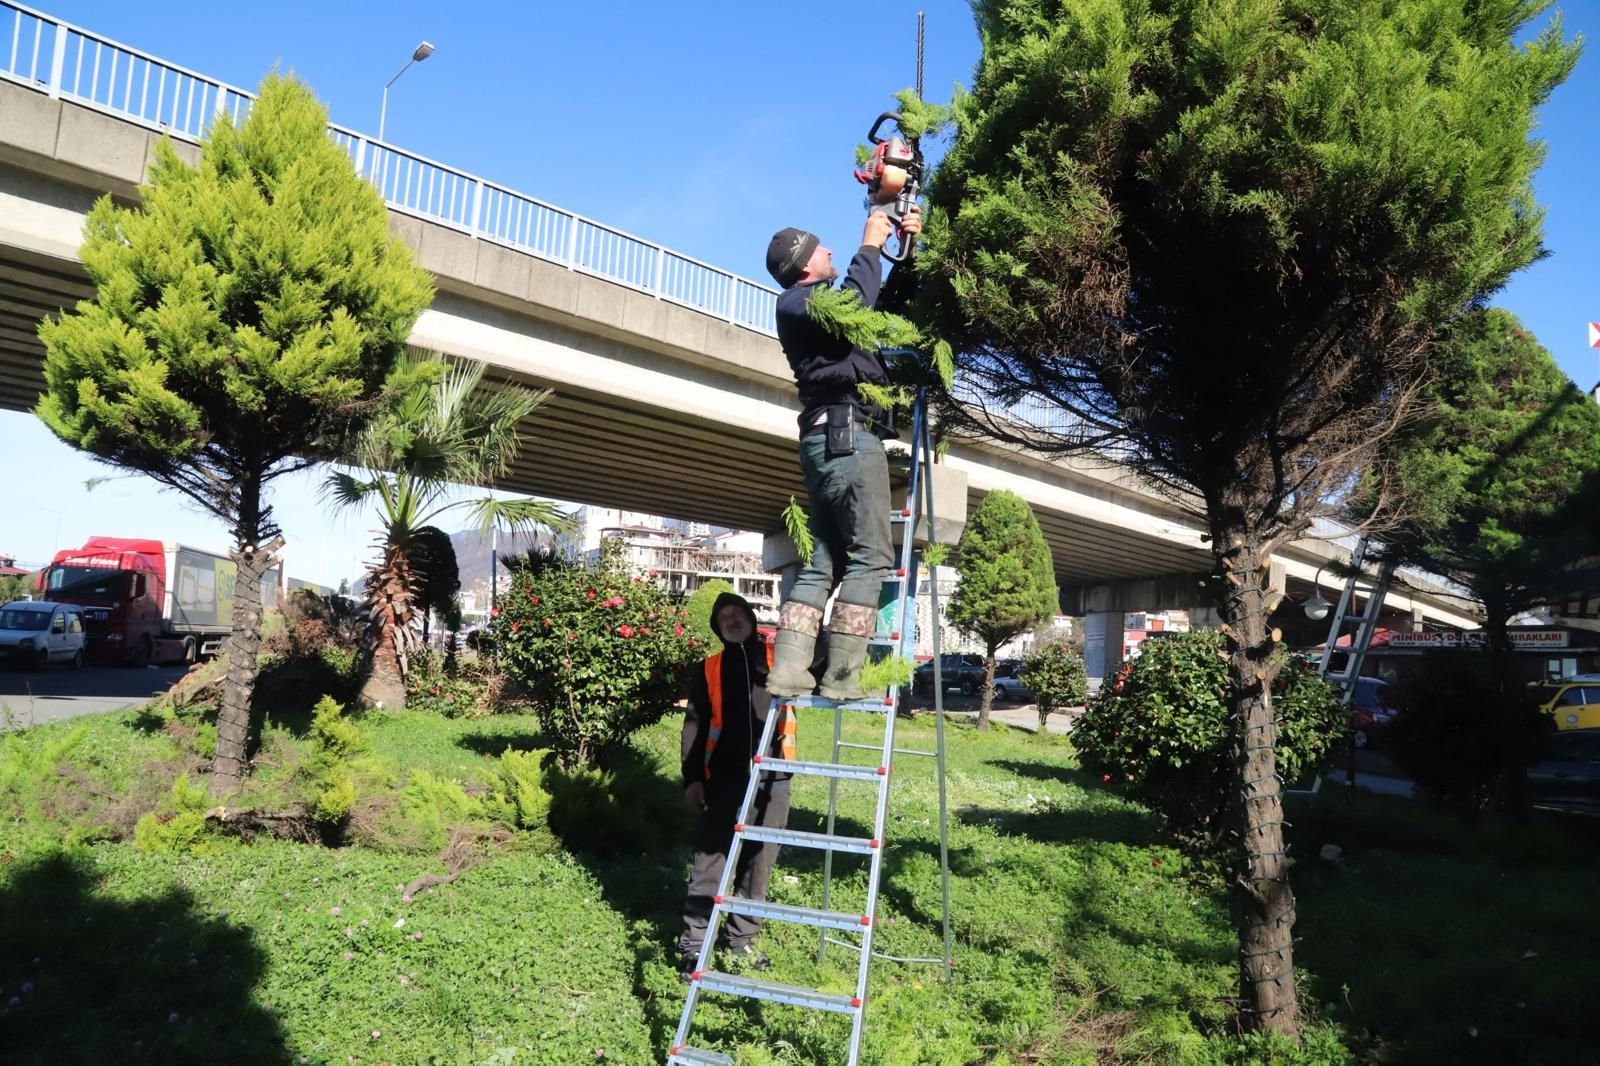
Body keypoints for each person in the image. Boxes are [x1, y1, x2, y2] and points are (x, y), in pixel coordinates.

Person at [762, 206, 923, 700]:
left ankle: (789, 669)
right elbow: (855, 303)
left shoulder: (817, 313)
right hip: (849, 438)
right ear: (805, 264)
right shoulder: (796, 303)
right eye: (821, 248)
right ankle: (842, 677)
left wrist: (906, 254)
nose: (830, 250)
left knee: (821, 561)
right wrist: (871, 242)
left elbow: (875, 309)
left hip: (828, 441)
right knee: (871, 557)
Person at [676, 591, 796, 981]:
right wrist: (693, 778)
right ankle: (694, 945)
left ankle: (741, 939)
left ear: (749, 617)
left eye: (736, 612)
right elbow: (694, 725)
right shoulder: (709, 668)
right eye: (722, 616)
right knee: (710, 859)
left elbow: (823, 660)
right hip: (722, 776)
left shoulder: (778, 658)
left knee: (759, 858)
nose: (730, 619)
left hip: (772, 776)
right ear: (717, 627)